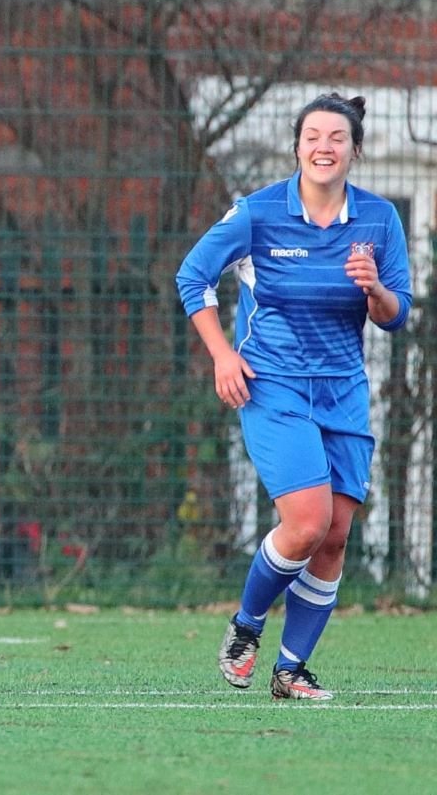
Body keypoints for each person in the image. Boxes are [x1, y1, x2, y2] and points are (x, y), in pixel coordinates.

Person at [176, 92, 411, 700]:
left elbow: (396, 316)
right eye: (313, 136)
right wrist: (223, 355)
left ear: (355, 150)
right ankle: (245, 627)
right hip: (272, 384)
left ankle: (290, 669)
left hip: (345, 392)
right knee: (306, 523)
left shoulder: (379, 220)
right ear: (298, 145)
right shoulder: (258, 214)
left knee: (334, 536)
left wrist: (375, 288)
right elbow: (192, 276)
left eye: (337, 137)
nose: (324, 147)